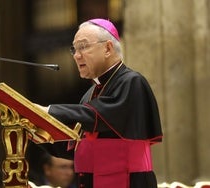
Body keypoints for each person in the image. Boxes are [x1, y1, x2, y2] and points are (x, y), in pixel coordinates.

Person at [37, 18, 163, 188]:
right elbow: (75, 146)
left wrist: (49, 111)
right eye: (74, 49)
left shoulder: (132, 82)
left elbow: (98, 116)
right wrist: (36, 128)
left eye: (83, 46)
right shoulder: (90, 93)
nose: (76, 55)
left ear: (108, 48)